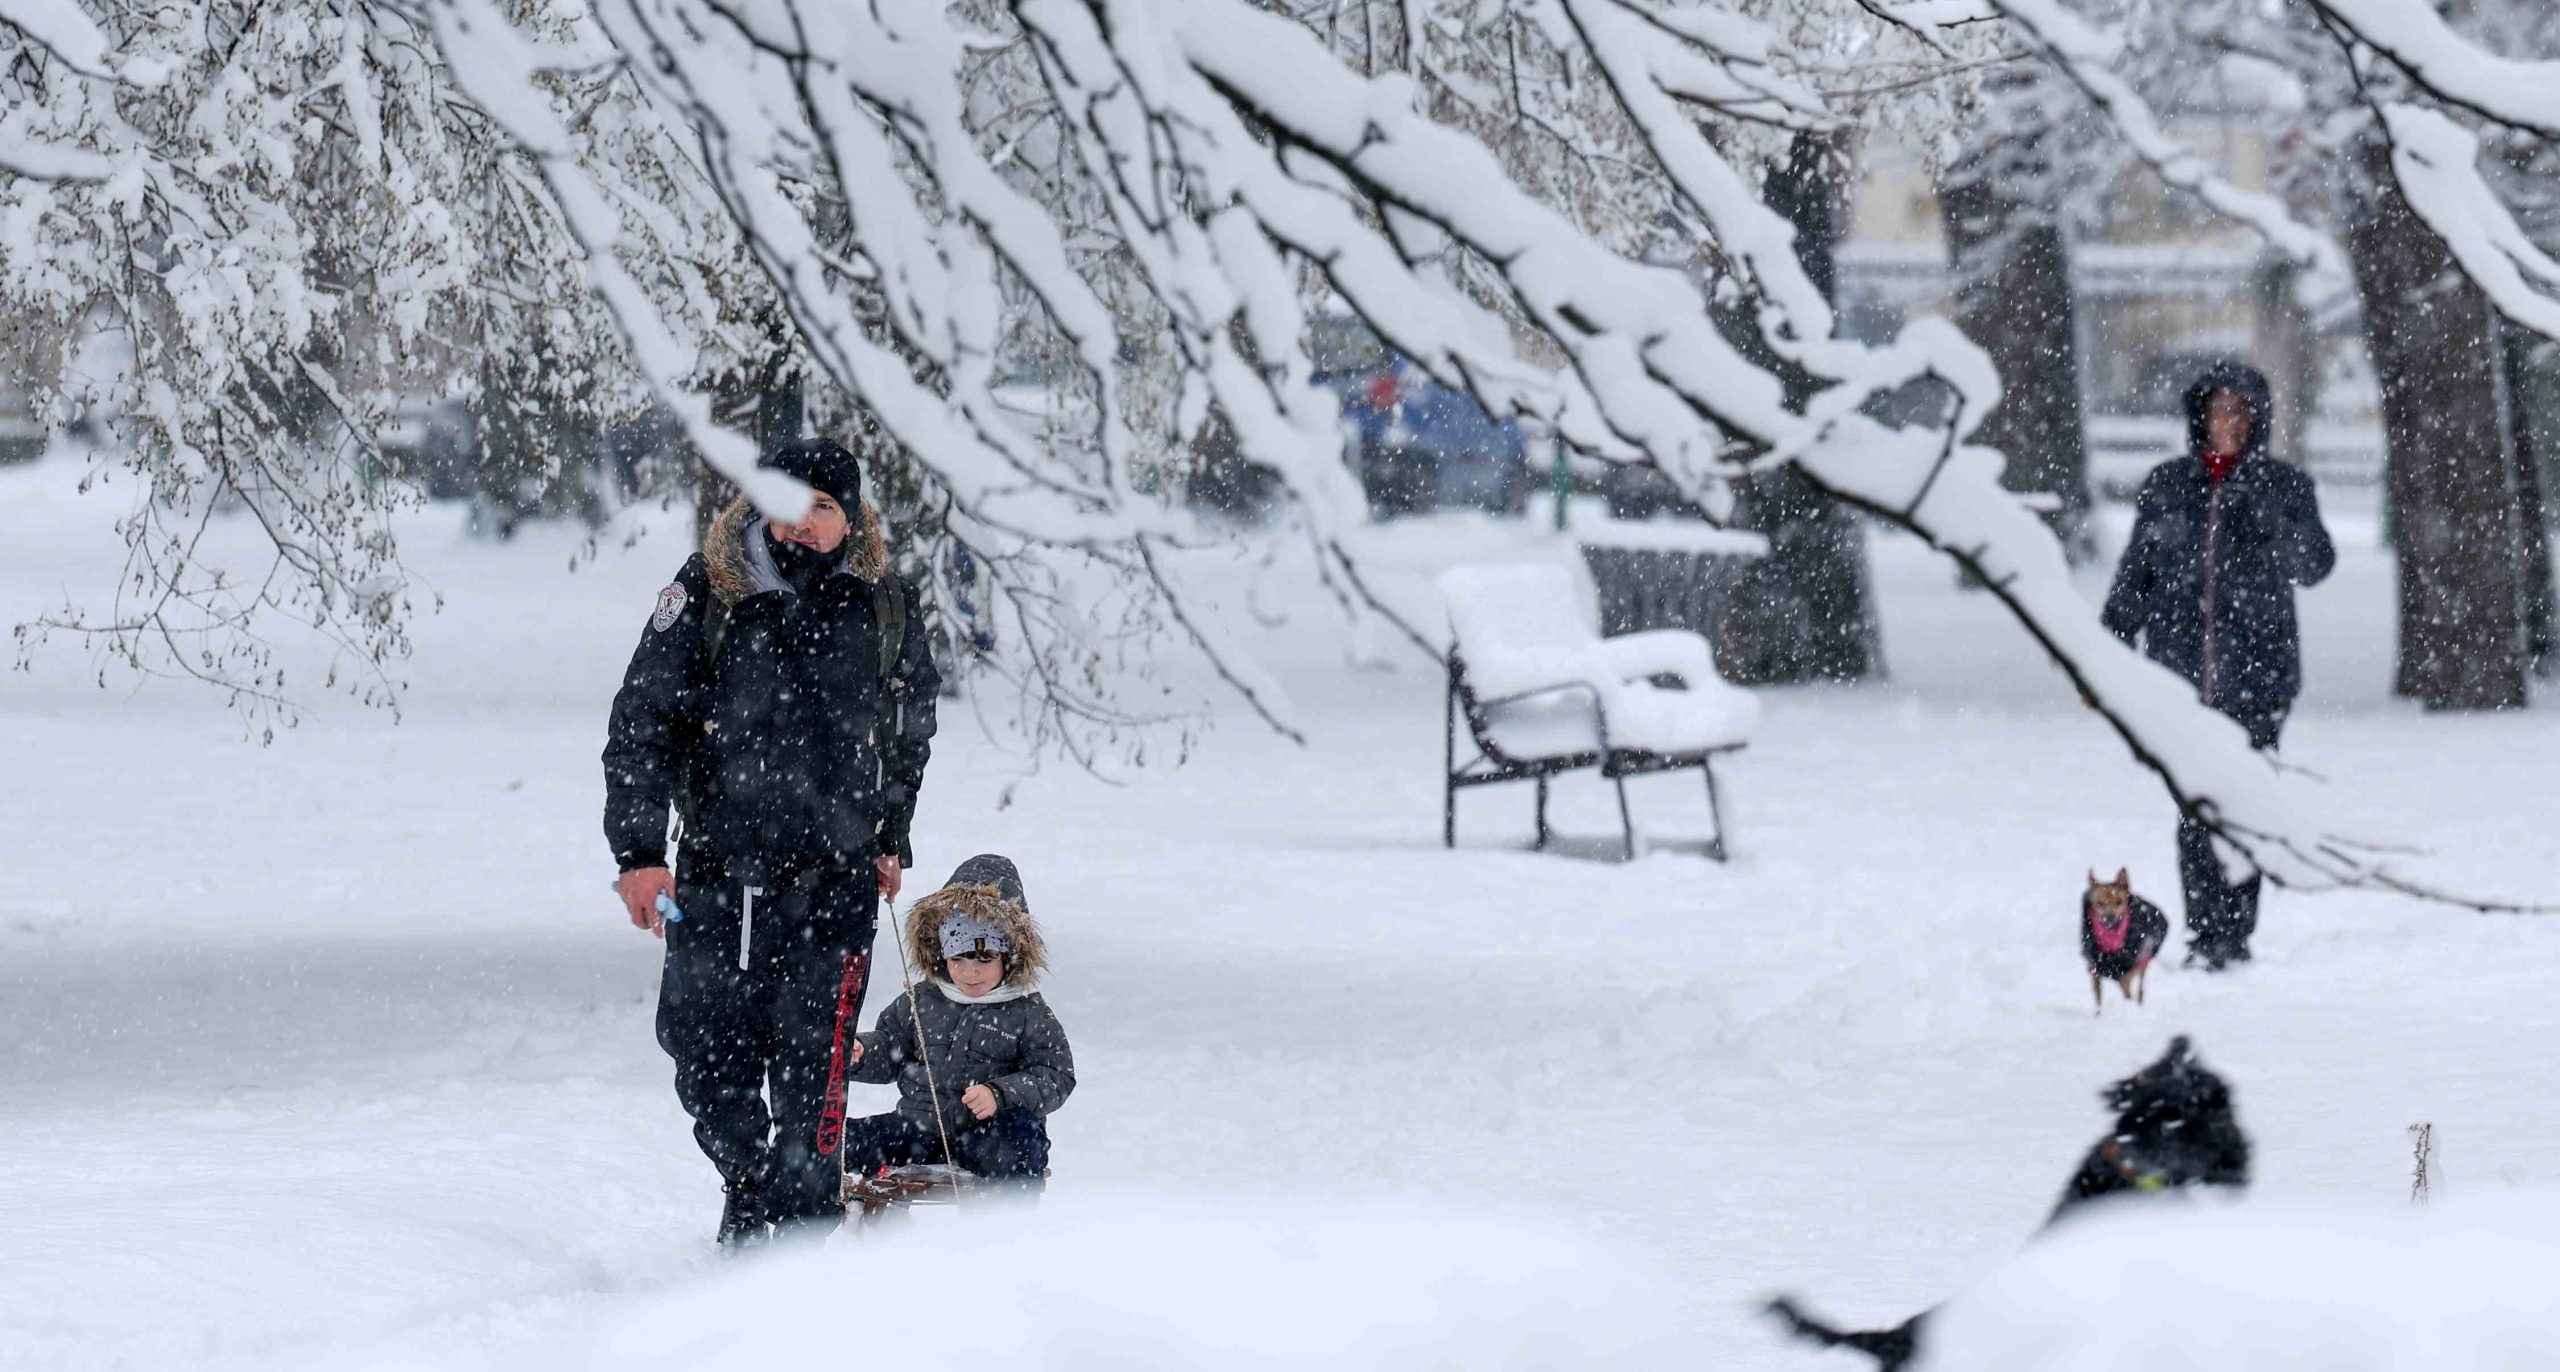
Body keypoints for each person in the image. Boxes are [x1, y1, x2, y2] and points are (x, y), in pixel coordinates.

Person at [602, 436, 940, 1244]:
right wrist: (641, 855)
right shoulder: (711, 592)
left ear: (850, 518)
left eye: (824, 507)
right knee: (701, 1056)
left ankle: (798, 1236)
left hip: (835, 885)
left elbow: (907, 732)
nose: (804, 523)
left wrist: (891, 835)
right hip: (720, 878)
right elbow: (642, 724)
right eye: (790, 503)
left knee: (814, 1079)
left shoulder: (883, 605)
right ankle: (748, 1179)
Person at [2103, 362, 2334, 970]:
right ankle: (2208, 935)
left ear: (2257, 419)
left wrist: (2273, 522)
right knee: (2195, 812)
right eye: (2217, 410)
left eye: (2239, 411)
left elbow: (2314, 566)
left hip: (2258, 680)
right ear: (2199, 417)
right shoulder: (2168, 485)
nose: (2227, 422)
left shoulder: (2284, 486)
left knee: (2244, 810)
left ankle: (2235, 933)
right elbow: (2136, 574)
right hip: (2178, 684)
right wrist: (2108, 649)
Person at [843, 854, 1073, 1193]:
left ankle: (1011, 1221)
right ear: (942, 954)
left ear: (1009, 955)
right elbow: (892, 1045)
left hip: (985, 1133)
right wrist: (863, 1052)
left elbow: (1055, 1075)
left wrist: (1000, 1094)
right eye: (959, 958)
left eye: (984, 958)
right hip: (917, 1127)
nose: (971, 971)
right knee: (837, 1140)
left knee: (1021, 1137)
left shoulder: (1027, 1012)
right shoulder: (922, 1000)